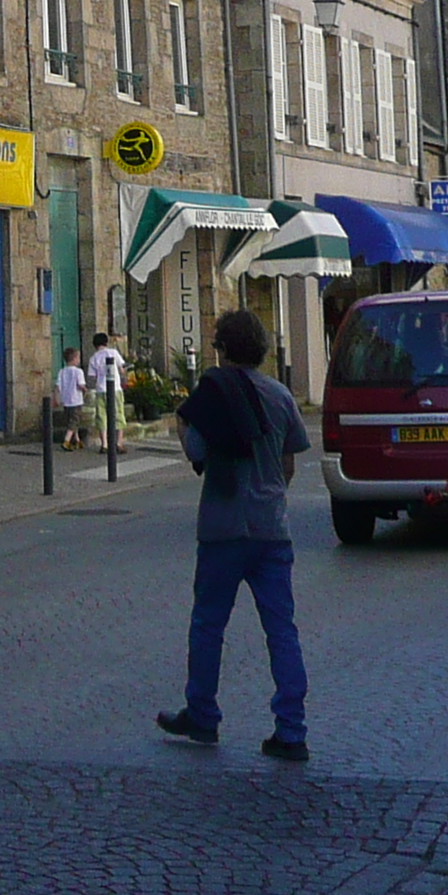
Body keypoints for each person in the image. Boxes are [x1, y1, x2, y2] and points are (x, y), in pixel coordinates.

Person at [155, 309, 311, 761]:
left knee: (208, 625)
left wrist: (184, 425)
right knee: (282, 630)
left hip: (223, 525)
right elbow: (288, 462)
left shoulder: (214, 392)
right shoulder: (281, 395)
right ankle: (291, 728)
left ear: (221, 349)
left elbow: (197, 451)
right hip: (271, 529)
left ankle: (203, 713)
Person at [86, 331, 127, 453]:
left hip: (100, 389)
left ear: (94, 345)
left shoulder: (93, 358)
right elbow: (121, 368)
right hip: (115, 389)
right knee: (118, 415)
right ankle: (118, 443)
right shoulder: (113, 352)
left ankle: (104, 444)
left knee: (102, 416)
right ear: (106, 342)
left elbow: (92, 377)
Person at [54, 349, 87, 449]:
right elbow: (81, 385)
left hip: (66, 401)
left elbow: (57, 386)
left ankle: (76, 440)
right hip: (76, 400)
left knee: (71, 421)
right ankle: (67, 440)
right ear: (74, 359)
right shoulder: (78, 372)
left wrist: (56, 398)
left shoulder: (62, 371)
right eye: (78, 357)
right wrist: (85, 390)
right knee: (74, 421)